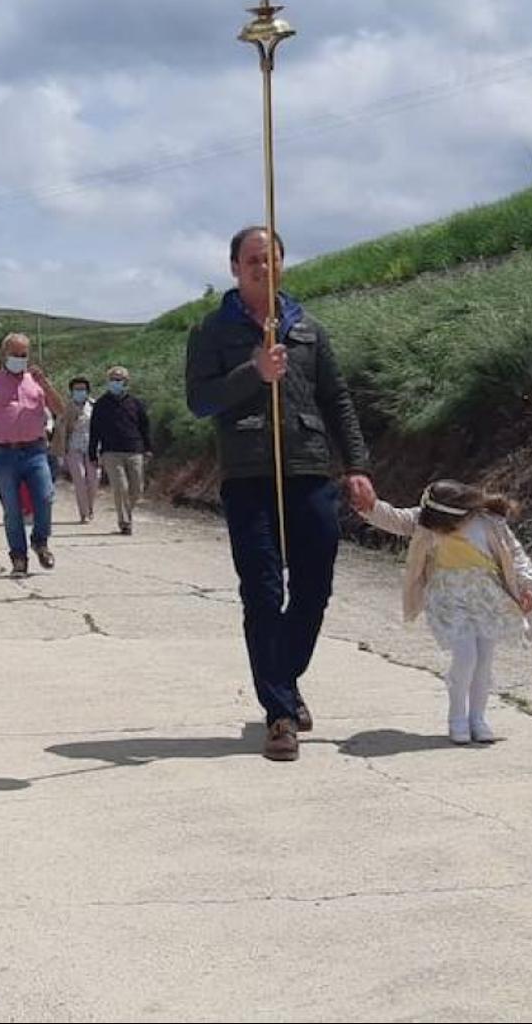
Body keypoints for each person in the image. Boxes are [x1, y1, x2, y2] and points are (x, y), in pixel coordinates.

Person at [187, 225, 374, 763]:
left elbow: (337, 399)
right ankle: (280, 715)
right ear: (234, 268)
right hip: (247, 474)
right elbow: (201, 400)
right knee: (263, 592)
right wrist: (255, 371)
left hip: (309, 469)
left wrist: (356, 466)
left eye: (270, 259)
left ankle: (283, 679)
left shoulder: (309, 328)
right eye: (252, 260)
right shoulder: (211, 331)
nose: (262, 268)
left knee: (314, 587)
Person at [353, 479, 532, 745]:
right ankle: (457, 718)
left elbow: (516, 555)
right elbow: (396, 519)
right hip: (447, 598)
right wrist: (371, 507)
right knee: (465, 656)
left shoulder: (489, 522)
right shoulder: (427, 520)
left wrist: (527, 585)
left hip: (486, 597)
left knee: (483, 660)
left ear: (458, 516)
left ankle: (478, 718)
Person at [0, 333, 66, 577]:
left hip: (35, 450)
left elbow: (60, 409)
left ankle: (40, 541)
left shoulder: (35, 382)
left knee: (45, 497)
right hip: (5, 453)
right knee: (12, 508)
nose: (19, 359)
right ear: (5, 354)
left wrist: (45, 383)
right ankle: (18, 556)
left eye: (23, 355)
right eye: (15, 354)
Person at [89, 365, 153, 535]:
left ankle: (126, 513)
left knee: (137, 489)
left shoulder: (136, 403)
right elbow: (94, 430)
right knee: (120, 487)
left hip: (134, 450)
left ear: (126, 382)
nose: (115, 382)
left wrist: (148, 448)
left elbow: (144, 427)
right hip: (111, 452)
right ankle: (125, 522)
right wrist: (92, 453)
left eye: (119, 379)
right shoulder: (101, 404)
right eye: (112, 379)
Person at [53, 376, 98, 523]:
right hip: (73, 447)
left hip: (92, 447)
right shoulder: (66, 408)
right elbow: (60, 430)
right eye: (76, 389)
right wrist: (60, 452)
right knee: (80, 479)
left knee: (93, 480)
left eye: (82, 389)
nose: (80, 392)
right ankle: (84, 513)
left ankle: (90, 507)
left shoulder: (95, 406)